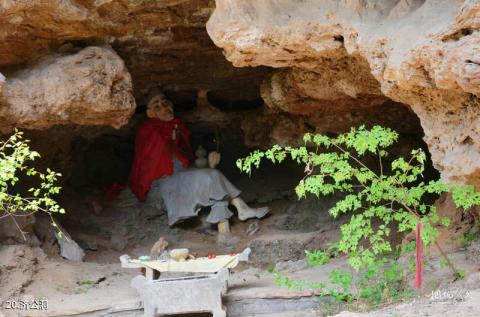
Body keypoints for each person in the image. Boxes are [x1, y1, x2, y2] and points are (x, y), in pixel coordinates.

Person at [129, 92, 269, 238]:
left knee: (212, 174)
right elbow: (149, 161)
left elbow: (186, 160)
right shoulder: (148, 129)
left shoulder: (176, 126)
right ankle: (240, 210)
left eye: (165, 102)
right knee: (212, 175)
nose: (164, 108)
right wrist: (168, 137)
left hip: (181, 175)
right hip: (165, 180)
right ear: (150, 114)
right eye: (157, 106)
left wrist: (209, 163)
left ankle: (240, 211)